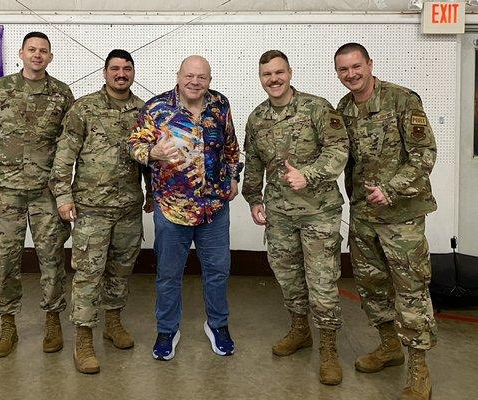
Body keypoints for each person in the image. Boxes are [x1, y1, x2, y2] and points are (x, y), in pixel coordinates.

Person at [334, 43, 437, 400]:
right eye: (344, 70)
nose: (351, 75)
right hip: (363, 217)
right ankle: (389, 346)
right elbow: (336, 158)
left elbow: (424, 155)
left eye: (356, 67)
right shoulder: (344, 109)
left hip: (401, 217)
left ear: (369, 65)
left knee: (410, 291)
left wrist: (391, 189)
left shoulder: (402, 100)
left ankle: (418, 366)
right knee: (372, 287)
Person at [242, 50, 349, 385]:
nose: (273, 80)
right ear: (261, 78)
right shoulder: (257, 118)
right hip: (279, 214)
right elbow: (254, 162)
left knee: (321, 282)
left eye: (278, 73)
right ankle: (300, 330)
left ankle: (329, 349)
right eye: (266, 75)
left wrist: (309, 174)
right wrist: (252, 199)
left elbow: (339, 149)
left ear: (289, 72)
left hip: (318, 212)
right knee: (288, 277)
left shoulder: (316, 108)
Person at [128, 55, 240, 361]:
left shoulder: (220, 105)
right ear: (178, 76)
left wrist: (233, 176)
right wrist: (153, 151)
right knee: (168, 274)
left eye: (201, 77)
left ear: (209, 80)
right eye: (189, 76)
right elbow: (133, 145)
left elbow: (231, 146)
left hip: (214, 207)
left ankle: (218, 325)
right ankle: (167, 330)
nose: (195, 82)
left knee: (217, 272)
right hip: (172, 209)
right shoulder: (156, 107)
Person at [49, 49, 151, 374]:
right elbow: (65, 154)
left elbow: (149, 155)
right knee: (88, 275)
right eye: (115, 69)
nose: (121, 74)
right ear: (105, 72)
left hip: (129, 209)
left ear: (133, 72)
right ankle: (83, 339)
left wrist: (152, 192)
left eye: (126, 69)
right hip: (91, 209)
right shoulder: (85, 108)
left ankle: (113, 323)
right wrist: (63, 196)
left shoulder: (143, 110)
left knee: (120, 271)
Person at [0, 31, 73, 358]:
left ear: (50, 57)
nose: (37, 55)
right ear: (21, 53)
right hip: (5, 192)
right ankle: (7, 323)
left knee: (52, 258)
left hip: (46, 192)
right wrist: (8, 164)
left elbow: (68, 141)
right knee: (4, 259)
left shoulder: (61, 94)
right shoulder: (0, 89)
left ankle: (53, 319)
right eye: (32, 49)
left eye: (43, 51)